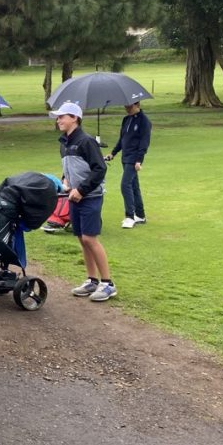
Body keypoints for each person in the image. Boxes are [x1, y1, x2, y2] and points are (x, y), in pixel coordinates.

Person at [51, 102, 117, 302]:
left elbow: (99, 169)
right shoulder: (64, 143)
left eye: (62, 116)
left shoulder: (86, 141)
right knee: (81, 238)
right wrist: (65, 181)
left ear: (75, 118)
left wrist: (81, 190)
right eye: (58, 117)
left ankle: (108, 284)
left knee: (90, 239)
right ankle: (92, 280)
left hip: (90, 196)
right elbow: (69, 168)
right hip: (74, 197)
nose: (58, 120)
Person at [104, 100, 152, 229]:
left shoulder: (144, 121)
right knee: (134, 186)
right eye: (125, 106)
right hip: (125, 157)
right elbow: (122, 139)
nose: (127, 108)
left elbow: (144, 142)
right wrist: (113, 153)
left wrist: (139, 160)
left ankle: (130, 216)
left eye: (129, 106)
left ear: (137, 105)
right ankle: (140, 215)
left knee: (125, 185)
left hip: (134, 158)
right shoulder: (126, 119)